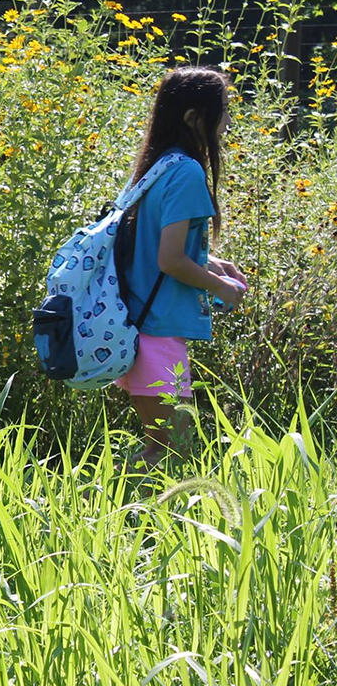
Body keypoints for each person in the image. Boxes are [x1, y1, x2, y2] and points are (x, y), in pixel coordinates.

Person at [114, 66, 246, 467]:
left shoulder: (157, 167)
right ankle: (118, 517)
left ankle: (117, 515)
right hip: (158, 330)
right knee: (172, 451)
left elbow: (153, 246)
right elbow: (169, 260)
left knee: (161, 449)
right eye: (222, 110)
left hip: (138, 324)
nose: (226, 120)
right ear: (194, 117)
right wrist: (219, 287)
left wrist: (217, 265)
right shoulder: (187, 171)